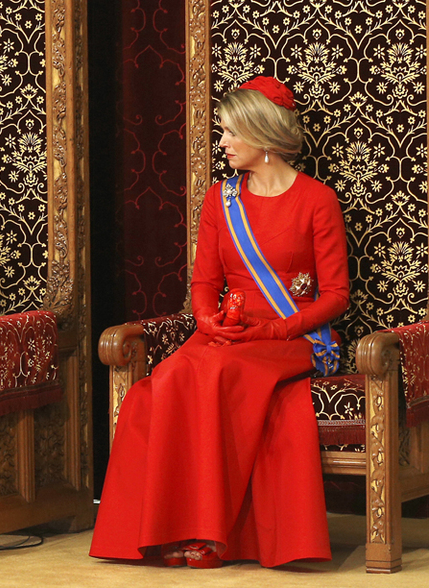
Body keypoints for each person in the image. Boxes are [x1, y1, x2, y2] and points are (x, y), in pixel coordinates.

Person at [89, 76, 350, 568]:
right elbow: (204, 282)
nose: (223, 141)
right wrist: (208, 322)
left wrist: (276, 329)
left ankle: (210, 532)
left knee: (216, 374)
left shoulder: (317, 200)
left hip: (292, 335)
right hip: (228, 331)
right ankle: (166, 527)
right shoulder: (220, 199)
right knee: (163, 381)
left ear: (262, 133)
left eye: (231, 131)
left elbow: (336, 296)